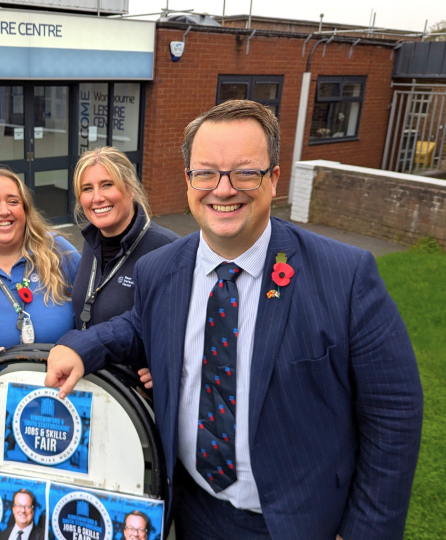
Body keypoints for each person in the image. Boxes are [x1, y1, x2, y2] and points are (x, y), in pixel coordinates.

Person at [44, 100, 423, 540]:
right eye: (206, 172)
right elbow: (140, 326)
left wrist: (365, 532)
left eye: (245, 172)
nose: (223, 190)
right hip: (191, 511)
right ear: (188, 181)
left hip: (301, 523)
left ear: (274, 178)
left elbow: (394, 412)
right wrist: (80, 346)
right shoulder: (160, 269)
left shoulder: (345, 275)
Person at [71, 147, 178, 380]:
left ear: (129, 188)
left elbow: (184, 328)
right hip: (92, 386)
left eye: (107, 184)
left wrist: (164, 367)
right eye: (87, 189)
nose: (97, 197)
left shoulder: (166, 248)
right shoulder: (91, 243)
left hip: (135, 398)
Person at [0, 167, 80, 348]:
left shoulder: (59, 251)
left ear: (26, 211)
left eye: (13, 201)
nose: (4, 211)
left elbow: (94, 316)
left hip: (59, 375)